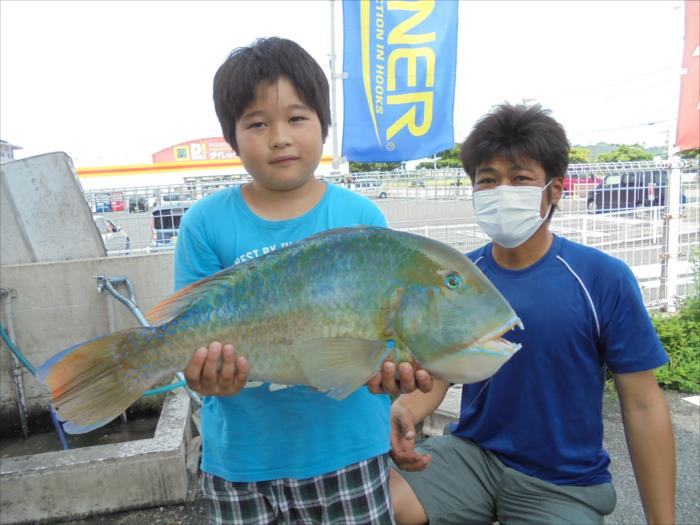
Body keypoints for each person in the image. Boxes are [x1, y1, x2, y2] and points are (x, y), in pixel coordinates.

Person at [174, 37, 430, 525]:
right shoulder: (204, 223)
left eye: (296, 118)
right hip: (240, 462)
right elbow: (190, 334)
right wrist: (201, 375)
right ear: (231, 136)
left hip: (348, 452)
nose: (280, 137)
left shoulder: (359, 216)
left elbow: (382, 336)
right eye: (257, 123)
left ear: (323, 124)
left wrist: (395, 379)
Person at [389, 104, 676, 525]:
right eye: (487, 180)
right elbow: (444, 371)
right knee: (375, 505)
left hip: (563, 482)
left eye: (520, 178)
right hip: (472, 456)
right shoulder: (457, 278)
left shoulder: (602, 279)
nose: (502, 190)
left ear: (555, 189)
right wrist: (405, 413)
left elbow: (643, 407)